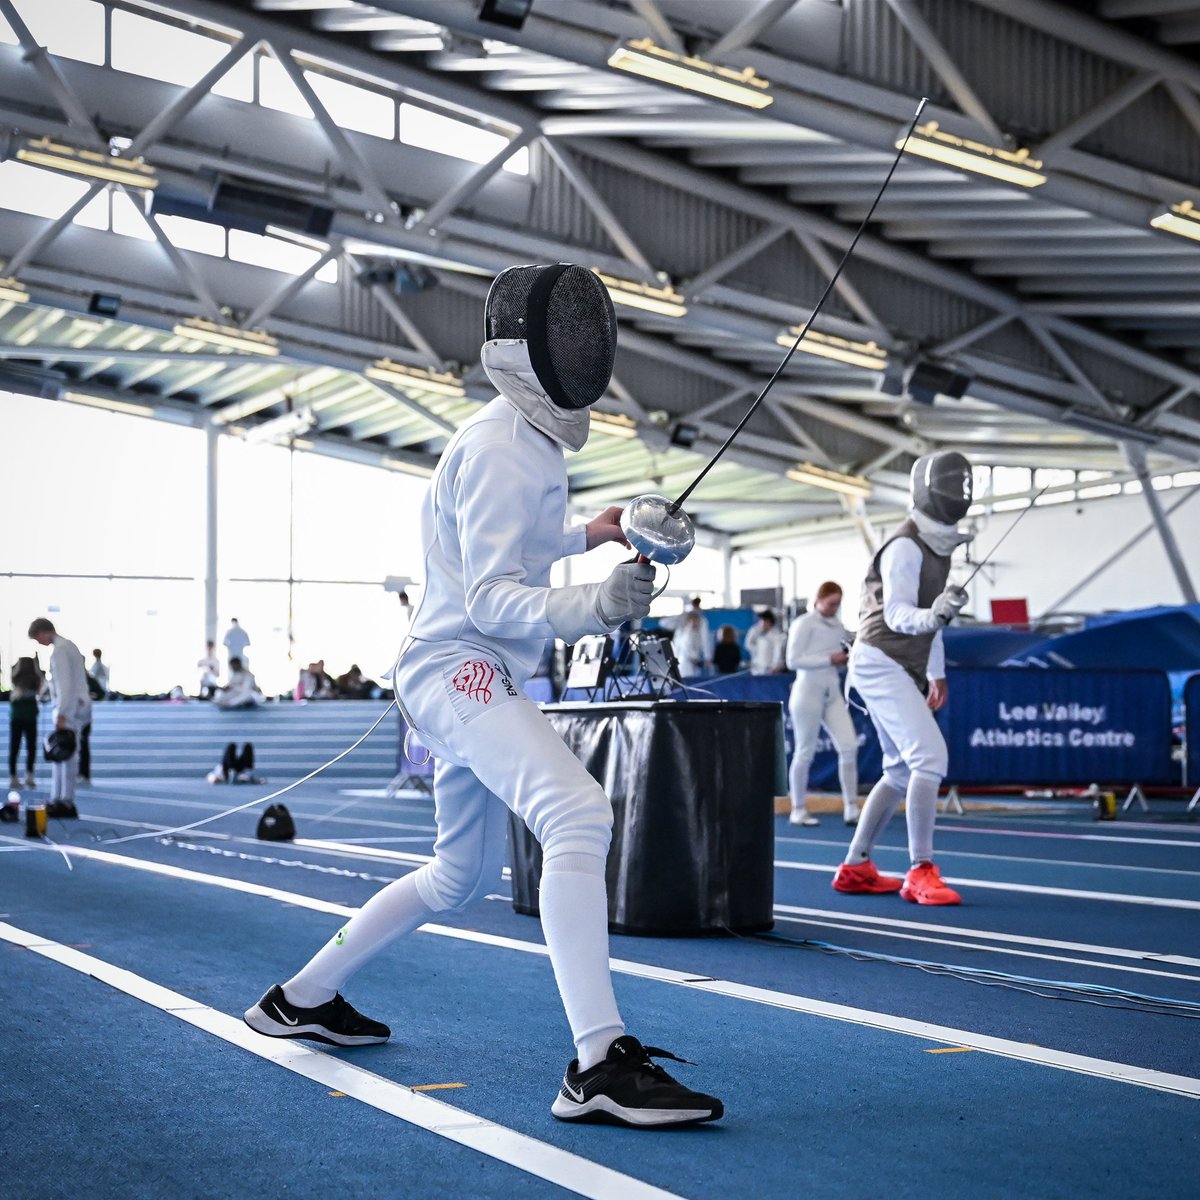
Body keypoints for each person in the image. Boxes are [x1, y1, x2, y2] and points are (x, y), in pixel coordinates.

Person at [244, 262, 722, 1128]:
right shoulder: (507, 447)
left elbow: (516, 544)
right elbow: (494, 597)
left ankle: (301, 998)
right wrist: (599, 603)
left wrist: (592, 533)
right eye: (567, 335)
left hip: (459, 665)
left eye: (587, 334)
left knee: (457, 875)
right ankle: (599, 1065)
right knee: (577, 816)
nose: (582, 348)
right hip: (461, 663)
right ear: (528, 350)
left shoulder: (521, 438)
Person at [832, 450, 973, 906]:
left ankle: (856, 865)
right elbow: (896, 614)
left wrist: (936, 672)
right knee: (929, 757)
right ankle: (920, 870)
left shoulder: (937, 547)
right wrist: (935, 614)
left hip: (899, 664)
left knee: (897, 769)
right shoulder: (906, 546)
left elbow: (931, 620)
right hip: (878, 659)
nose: (959, 492)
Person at [785, 582, 859, 828]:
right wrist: (829, 659)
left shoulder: (838, 626)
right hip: (807, 693)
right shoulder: (804, 623)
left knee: (849, 747)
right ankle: (798, 808)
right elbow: (793, 660)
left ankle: (851, 806)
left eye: (838, 604)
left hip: (833, 693)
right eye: (831, 603)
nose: (834, 608)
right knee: (804, 752)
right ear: (819, 599)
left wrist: (843, 659)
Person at [28, 618, 91, 818]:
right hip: (74, 705)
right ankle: (60, 798)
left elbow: (65, 685)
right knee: (64, 755)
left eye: (37, 638)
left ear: (43, 632)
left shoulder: (61, 650)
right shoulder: (67, 646)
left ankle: (65, 800)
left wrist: (62, 713)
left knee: (65, 754)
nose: (38, 643)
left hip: (70, 708)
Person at [8, 656, 43, 790]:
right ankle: (28, 776)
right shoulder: (34, 680)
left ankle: (14, 776)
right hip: (28, 718)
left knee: (15, 747)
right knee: (30, 747)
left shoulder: (17, 678)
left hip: (18, 717)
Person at [671, 608, 710, 679]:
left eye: (697, 620)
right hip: (686, 663)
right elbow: (686, 646)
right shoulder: (687, 632)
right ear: (689, 620)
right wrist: (695, 658)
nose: (696, 622)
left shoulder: (695, 632)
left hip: (689, 663)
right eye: (694, 620)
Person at [746, 608, 785, 675]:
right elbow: (748, 645)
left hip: (770, 671)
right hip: (757, 670)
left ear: (768, 621)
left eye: (762, 620)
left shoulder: (776, 636)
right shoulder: (758, 635)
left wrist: (775, 666)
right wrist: (754, 631)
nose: (760, 623)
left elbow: (778, 653)